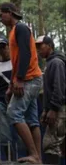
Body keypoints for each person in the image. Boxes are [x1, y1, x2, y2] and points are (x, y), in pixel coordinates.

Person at [0, 2, 42, 164]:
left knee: (13, 112)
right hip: (29, 78)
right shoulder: (14, 31)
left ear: (9, 12)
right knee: (32, 118)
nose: (0, 18)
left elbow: (26, 53)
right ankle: (38, 159)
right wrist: (11, 84)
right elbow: (16, 61)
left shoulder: (21, 28)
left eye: (1, 14)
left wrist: (20, 79)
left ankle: (34, 155)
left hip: (30, 78)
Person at [0, 36, 24, 160]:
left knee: (20, 130)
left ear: (8, 46)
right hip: (1, 101)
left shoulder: (17, 61)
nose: (2, 49)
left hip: (17, 99)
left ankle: (23, 158)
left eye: (3, 46)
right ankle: (10, 159)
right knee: (3, 131)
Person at [36, 35, 66, 164]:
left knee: (50, 145)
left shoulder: (56, 62)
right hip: (57, 108)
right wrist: (45, 109)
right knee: (61, 145)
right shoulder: (50, 63)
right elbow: (48, 90)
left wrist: (53, 109)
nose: (38, 50)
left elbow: (58, 87)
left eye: (40, 46)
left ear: (49, 45)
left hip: (60, 109)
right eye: (36, 47)